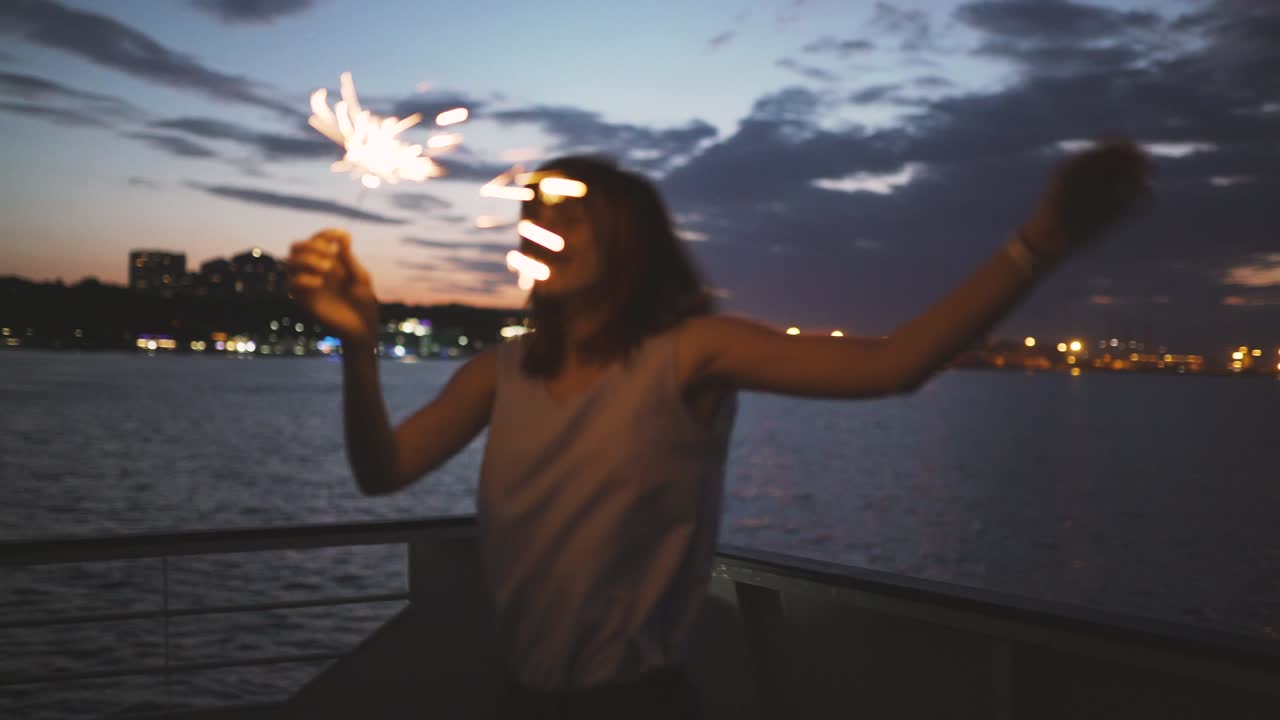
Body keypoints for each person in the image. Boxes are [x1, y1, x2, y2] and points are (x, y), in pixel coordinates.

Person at [286, 144, 1151, 718]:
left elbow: (891, 366)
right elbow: (384, 471)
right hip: (520, 701)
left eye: (573, 209)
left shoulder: (688, 353)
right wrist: (358, 346)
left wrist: (1036, 246)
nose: (545, 223)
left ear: (628, 235)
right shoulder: (499, 372)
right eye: (535, 210)